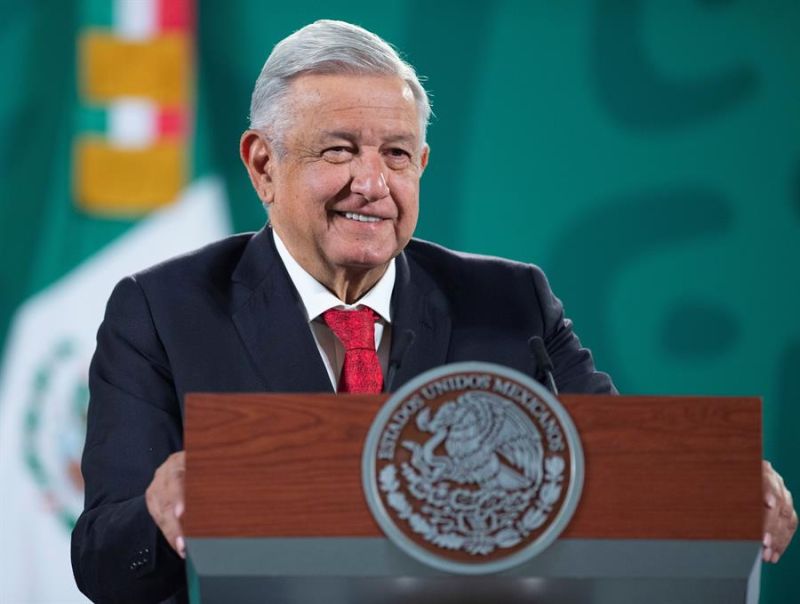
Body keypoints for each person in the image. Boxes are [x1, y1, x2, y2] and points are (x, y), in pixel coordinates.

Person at [71, 19, 796, 604]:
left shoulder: (511, 303)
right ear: (264, 164)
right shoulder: (163, 311)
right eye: (338, 150)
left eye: (395, 153)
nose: (371, 183)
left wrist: (717, 486)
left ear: (421, 165)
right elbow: (105, 565)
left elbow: (617, 473)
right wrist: (160, 515)